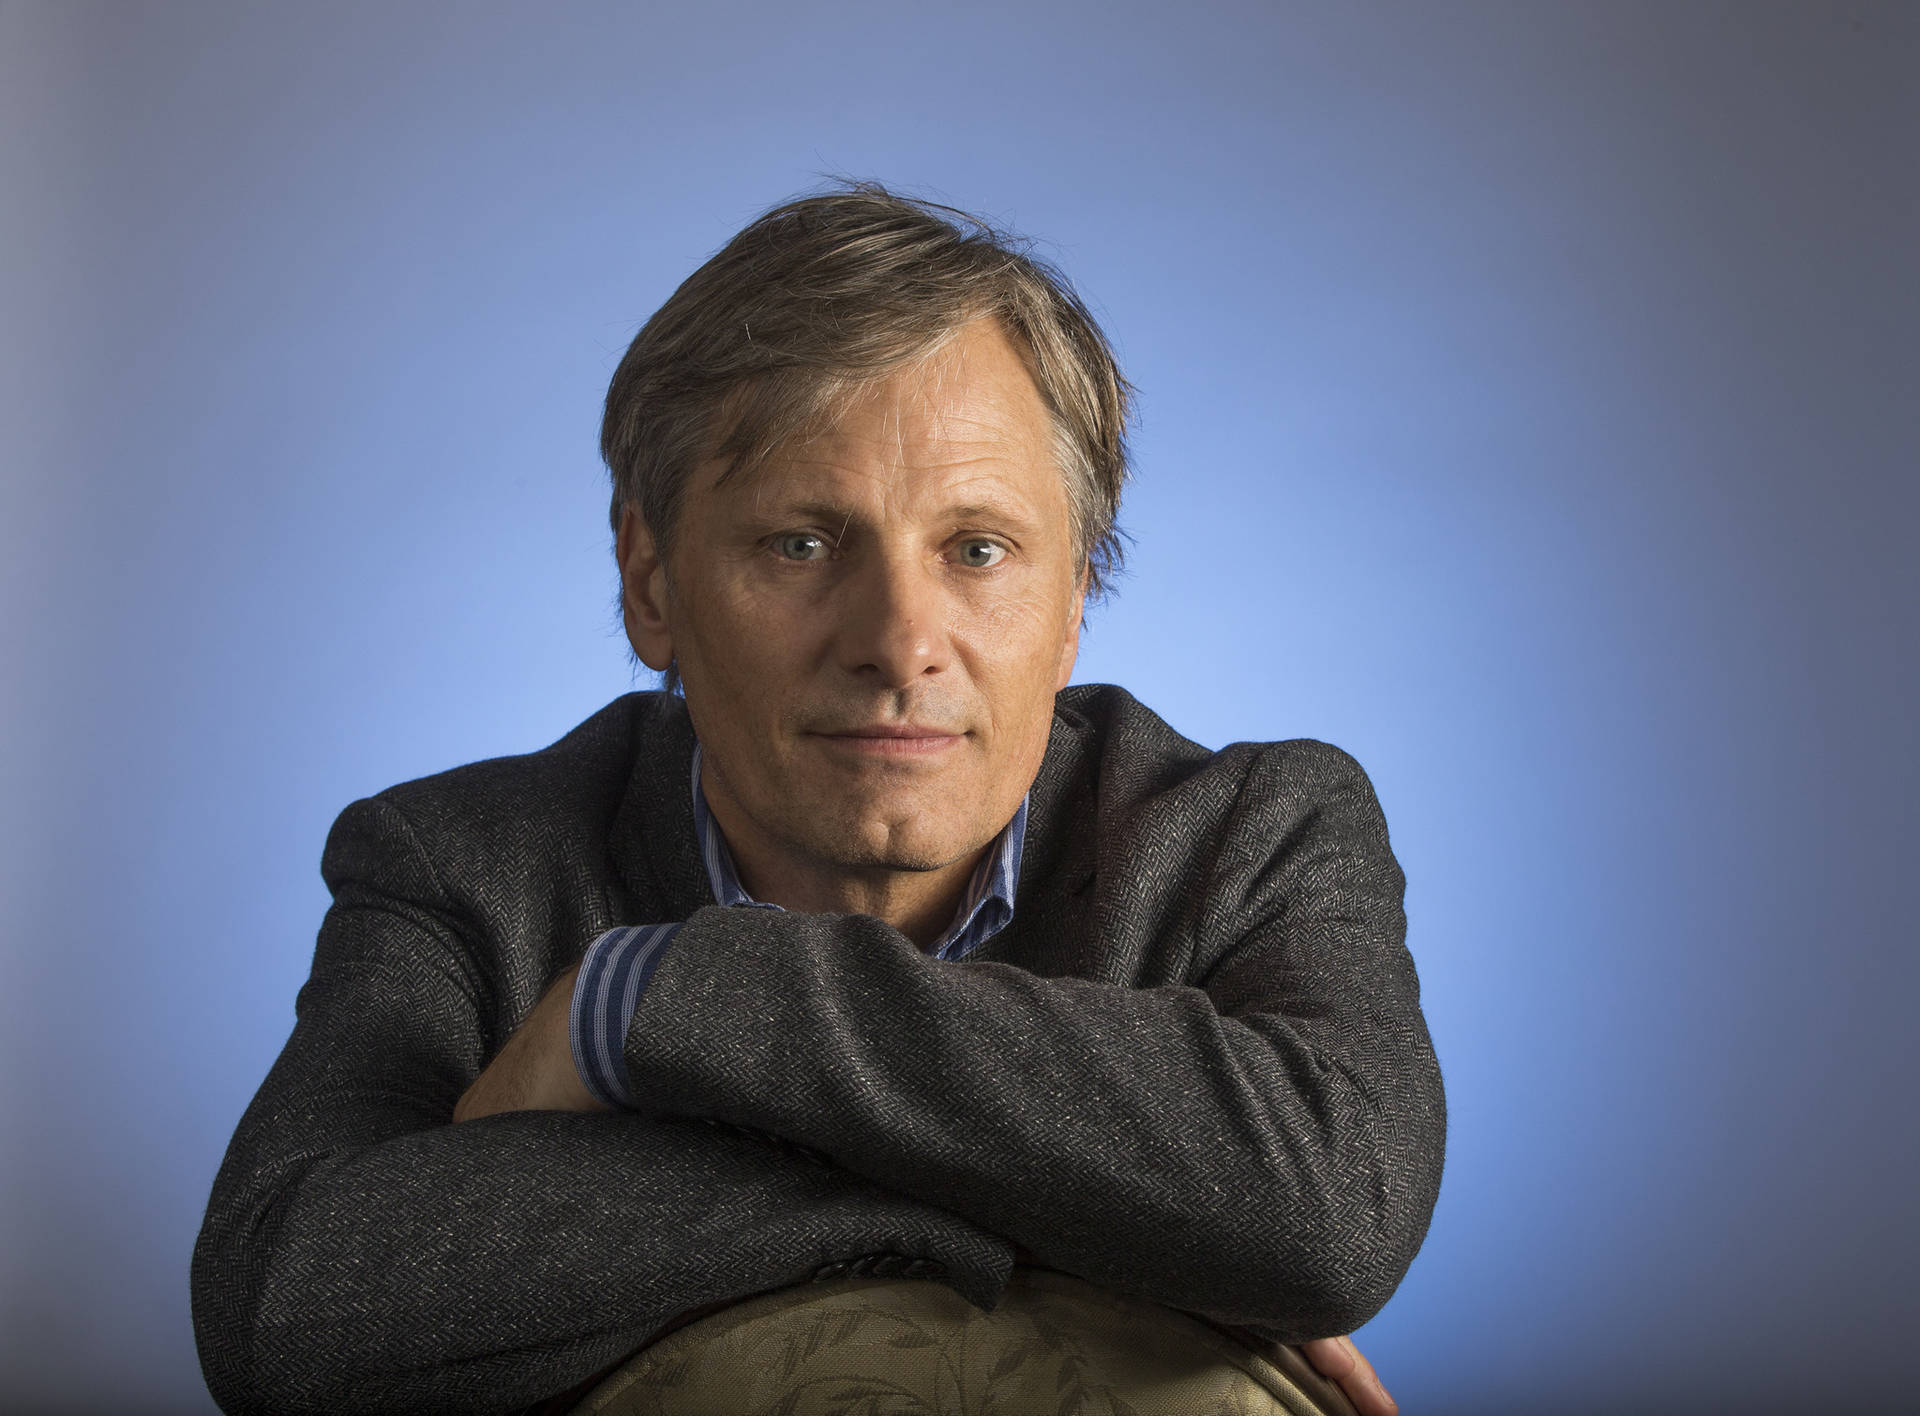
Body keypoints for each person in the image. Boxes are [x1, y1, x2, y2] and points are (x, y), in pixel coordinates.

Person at [191, 184, 1446, 1416]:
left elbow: (1333, 1211)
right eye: (801, 543)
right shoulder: (464, 865)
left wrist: (657, 999)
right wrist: (1072, 1210)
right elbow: (286, 1316)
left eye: (978, 550)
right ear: (651, 584)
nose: (901, 642)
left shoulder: (1257, 834)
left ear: (1073, 607)